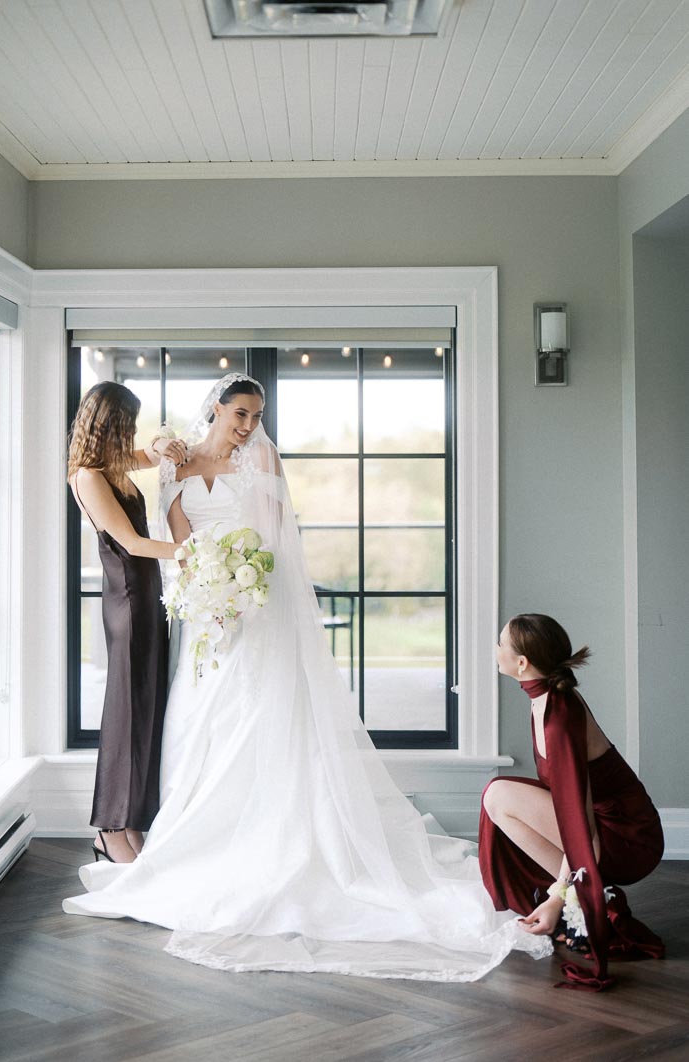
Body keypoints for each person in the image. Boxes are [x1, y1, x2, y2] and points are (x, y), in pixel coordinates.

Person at [63, 373, 551, 983]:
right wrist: (204, 584)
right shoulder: (161, 469)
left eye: (255, 415)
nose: (247, 425)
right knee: (188, 721)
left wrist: (242, 582)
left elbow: (274, 541)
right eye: (239, 413)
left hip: (254, 604)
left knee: (254, 719)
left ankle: (263, 842)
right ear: (216, 408)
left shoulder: (256, 457)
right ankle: (167, 837)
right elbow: (169, 536)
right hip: (202, 611)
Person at [480, 615, 665, 990]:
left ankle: (578, 897)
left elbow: (582, 826)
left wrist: (555, 897)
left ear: (522, 663)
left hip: (626, 837)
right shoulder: (545, 697)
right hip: (602, 825)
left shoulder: (557, 719)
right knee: (498, 798)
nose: (494, 648)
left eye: (501, 642)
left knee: (499, 794)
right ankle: (586, 895)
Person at [67, 381, 188, 865]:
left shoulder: (110, 465)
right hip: (129, 600)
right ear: (107, 424)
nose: (131, 433)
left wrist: (161, 444)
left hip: (146, 595)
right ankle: (110, 828)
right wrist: (195, 553)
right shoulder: (88, 477)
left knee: (145, 710)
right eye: (126, 424)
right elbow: (132, 543)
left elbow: (152, 455)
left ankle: (133, 822)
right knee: (125, 716)